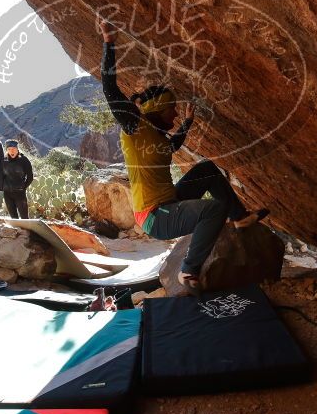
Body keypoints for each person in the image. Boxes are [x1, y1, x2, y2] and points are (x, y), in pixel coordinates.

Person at [99, 20, 268, 290]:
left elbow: (172, 147)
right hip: (155, 216)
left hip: (170, 202)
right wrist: (109, 42)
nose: (175, 115)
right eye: (171, 111)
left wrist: (187, 124)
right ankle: (188, 272)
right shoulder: (136, 127)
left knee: (208, 169)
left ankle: (239, 218)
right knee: (213, 209)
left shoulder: (157, 136)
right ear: (156, 110)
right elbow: (109, 88)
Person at [0, 139, 33, 219]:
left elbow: (30, 177)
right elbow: (1, 176)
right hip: (7, 194)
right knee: (14, 218)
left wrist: (23, 187)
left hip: (20, 193)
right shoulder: (3, 161)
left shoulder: (24, 160)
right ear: (7, 150)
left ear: (17, 149)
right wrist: (3, 187)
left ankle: (27, 231)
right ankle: (17, 232)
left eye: (14, 149)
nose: (12, 151)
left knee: (25, 218)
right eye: (9, 149)